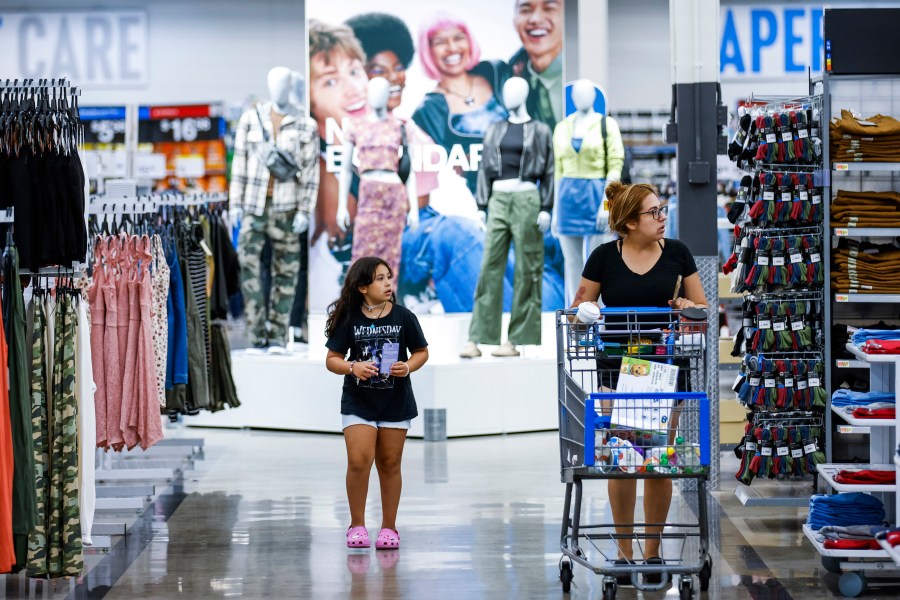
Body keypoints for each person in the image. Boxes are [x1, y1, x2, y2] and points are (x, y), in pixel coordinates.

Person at [569, 181, 708, 584]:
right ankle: (624, 552)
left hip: (666, 368)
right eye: (654, 212)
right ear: (630, 222)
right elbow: (578, 310)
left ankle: (652, 552)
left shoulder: (678, 254)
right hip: (617, 368)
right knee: (623, 456)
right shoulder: (602, 257)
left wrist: (687, 305)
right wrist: (586, 312)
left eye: (663, 209)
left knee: (659, 460)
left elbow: (701, 306)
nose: (663, 218)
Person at [324, 257, 429, 550]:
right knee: (359, 461)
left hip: (396, 400)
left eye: (388, 277)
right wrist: (352, 367)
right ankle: (357, 525)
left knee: (390, 463)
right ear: (361, 287)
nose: (387, 283)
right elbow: (332, 360)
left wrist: (407, 366)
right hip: (358, 401)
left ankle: (389, 528)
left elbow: (421, 352)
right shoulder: (349, 318)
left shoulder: (404, 316)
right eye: (379, 279)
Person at [460, 77, 554, 359]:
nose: (508, 94)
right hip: (498, 200)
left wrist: (546, 207)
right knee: (489, 266)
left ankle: (515, 340)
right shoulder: (494, 129)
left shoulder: (540, 130)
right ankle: (476, 338)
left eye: (515, 90)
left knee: (528, 268)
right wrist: (481, 204)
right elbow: (484, 170)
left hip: (527, 198)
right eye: (506, 90)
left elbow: (549, 170)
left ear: (525, 94)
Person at [229, 66, 319, 351]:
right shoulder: (250, 119)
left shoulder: (306, 124)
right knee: (248, 266)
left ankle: (279, 334)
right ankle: (257, 333)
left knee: (286, 270)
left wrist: (305, 209)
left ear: (290, 86)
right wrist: (235, 204)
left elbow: (310, 171)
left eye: (284, 84)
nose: (279, 89)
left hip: (287, 206)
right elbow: (239, 165)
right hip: (255, 206)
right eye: (274, 84)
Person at [345, 12, 439, 210]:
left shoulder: (411, 132)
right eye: (379, 71)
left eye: (399, 67)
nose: (394, 77)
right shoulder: (348, 126)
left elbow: (420, 204)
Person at [412, 12, 508, 195]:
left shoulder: (496, 72)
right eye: (440, 42)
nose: (452, 47)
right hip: (479, 199)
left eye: (458, 38)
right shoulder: (427, 111)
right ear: (428, 50)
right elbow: (443, 174)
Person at [308, 19, 371, 250]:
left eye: (354, 71)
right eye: (331, 81)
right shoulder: (318, 169)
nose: (354, 88)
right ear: (309, 99)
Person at [509, 0, 564, 130]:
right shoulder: (507, 76)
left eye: (549, 8)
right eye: (526, 10)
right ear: (515, 22)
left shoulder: (576, 76)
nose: (535, 19)